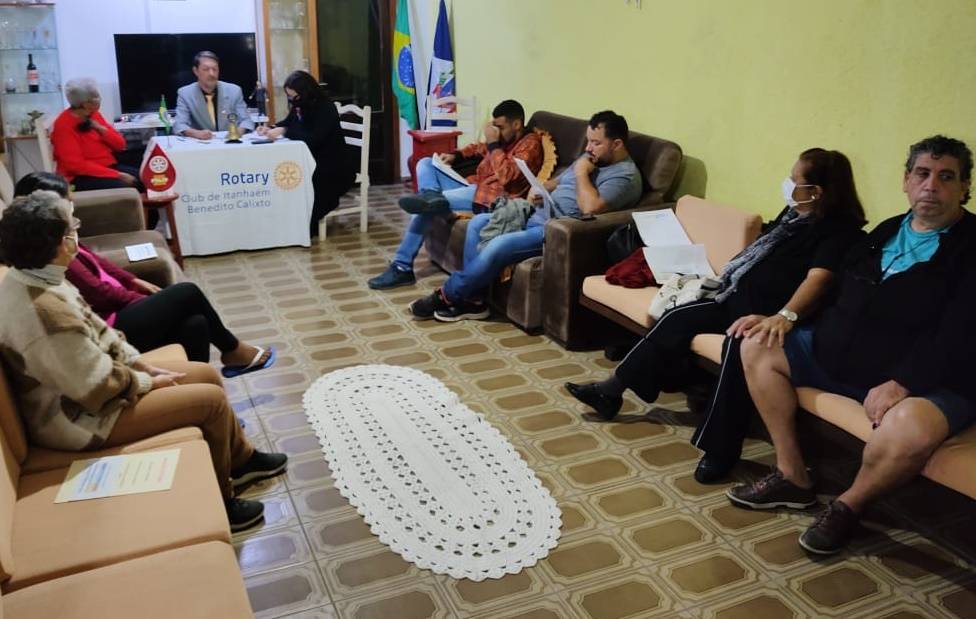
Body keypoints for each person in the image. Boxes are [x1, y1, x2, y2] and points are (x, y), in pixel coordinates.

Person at [730, 135, 976, 555]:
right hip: (844, 356)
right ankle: (792, 475)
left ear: (965, 187)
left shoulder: (971, 246)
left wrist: (902, 382)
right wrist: (782, 317)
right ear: (906, 180)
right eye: (922, 173)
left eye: (946, 177)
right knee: (757, 345)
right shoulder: (887, 229)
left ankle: (848, 506)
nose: (931, 186)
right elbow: (835, 290)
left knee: (910, 426)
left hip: (930, 378)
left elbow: (961, 332)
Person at [566, 148, 867, 485]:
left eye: (795, 180)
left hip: (769, 316)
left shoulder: (838, 231)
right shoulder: (795, 215)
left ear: (817, 192)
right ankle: (610, 391)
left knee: (738, 345)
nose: (788, 184)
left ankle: (721, 449)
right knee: (677, 318)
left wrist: (785, 316)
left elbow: (818, 280)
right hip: (736, 298)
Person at [0, 190, 288, 531]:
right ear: (63, 244)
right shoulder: (44, 312)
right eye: (73, 228)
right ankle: (223, 504)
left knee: (204, 375)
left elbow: (102, 334)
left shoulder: (42, 279)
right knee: (209, 402)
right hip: (77, 421)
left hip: (91, 394)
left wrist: (142, 365)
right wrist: (146, 382)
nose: (78, 233)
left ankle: (241, 462)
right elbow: (95, 387)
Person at [13, 172, 275, 377]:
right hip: (109, 324)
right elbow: (98, 293)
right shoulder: (51, 248)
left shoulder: (61, 232)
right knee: (187, 293)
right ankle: (233, 350)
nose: (72, 206)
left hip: (118, 310)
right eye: (66, 202)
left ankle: (201, 389)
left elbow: (99, 262)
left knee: (196, 323)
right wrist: (140, 300)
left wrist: (132, 280)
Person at [409, 110, 642, 321]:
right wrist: (539, 189)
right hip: (534, 212)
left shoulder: (625, 176)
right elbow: (558, 182)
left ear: (617, 144)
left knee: (498, 244)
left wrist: (582, 173)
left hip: (555, 229)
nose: (588, 148)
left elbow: (590, 208)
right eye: (588, 140)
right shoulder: (591, 158)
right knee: (478, 223)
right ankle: (474, 301)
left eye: (596, 143)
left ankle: (447, 294)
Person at [368, 99, 544, 290]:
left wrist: (494, 144)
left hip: (492, 198)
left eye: (500, 127)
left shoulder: (531, 145)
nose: (496, 132)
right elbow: (478, 148)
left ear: (516, 124)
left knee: (426, 207)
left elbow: (507, 176)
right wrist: (456, 155)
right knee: (425, 164)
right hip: (474, 187)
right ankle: (431, 195)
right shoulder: (506, 139)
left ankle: (402, 266)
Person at [255, 70, 355, 237]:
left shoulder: (325, 108)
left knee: (302, 178)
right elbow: (288, 122)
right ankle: (290, 220)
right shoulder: (300, 104)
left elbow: (314, 138)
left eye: (294, 97)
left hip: (332, 165)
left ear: (305, 92)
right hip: (312, 160)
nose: (292, 101)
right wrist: (271, 128)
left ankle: (306, 223)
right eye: (289, 97)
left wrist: (284, 131)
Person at [51, 78, 143, 192]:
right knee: (128, 187)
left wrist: (101, 129)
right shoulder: (63, 125)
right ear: (85, 104)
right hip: (80, 177)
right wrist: (118, 175)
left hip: (107, 166)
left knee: (147, 178)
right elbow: (75, 166)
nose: (99, 99)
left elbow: (120, 145)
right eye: (96, 97)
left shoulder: (94, 115)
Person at [173, 51, 254, 140]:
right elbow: (179, 125)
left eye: (215, 69)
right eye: (206, 69)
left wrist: (237, 132)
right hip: (201, 144)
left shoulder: (234, 91)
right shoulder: (185, 93)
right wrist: (196, 133)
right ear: (196, 71)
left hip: (229, 142)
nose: (211, 74)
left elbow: (246, 121)